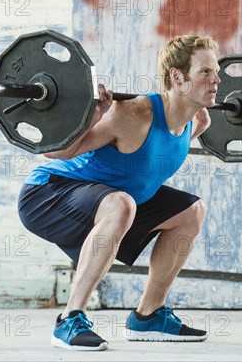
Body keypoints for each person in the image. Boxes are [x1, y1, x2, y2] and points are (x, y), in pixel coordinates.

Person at [17, 35, 221, 351]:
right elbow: (56, 152)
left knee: (191, 212)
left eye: (216, 71)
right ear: (177, 78)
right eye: (205, 72)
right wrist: (95, 115)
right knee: (121, 204)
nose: (217, 80)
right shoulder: (132, 115)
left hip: (113, 200)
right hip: (48, 193)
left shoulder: (199, 120)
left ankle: (148, 316)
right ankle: (70, 319)